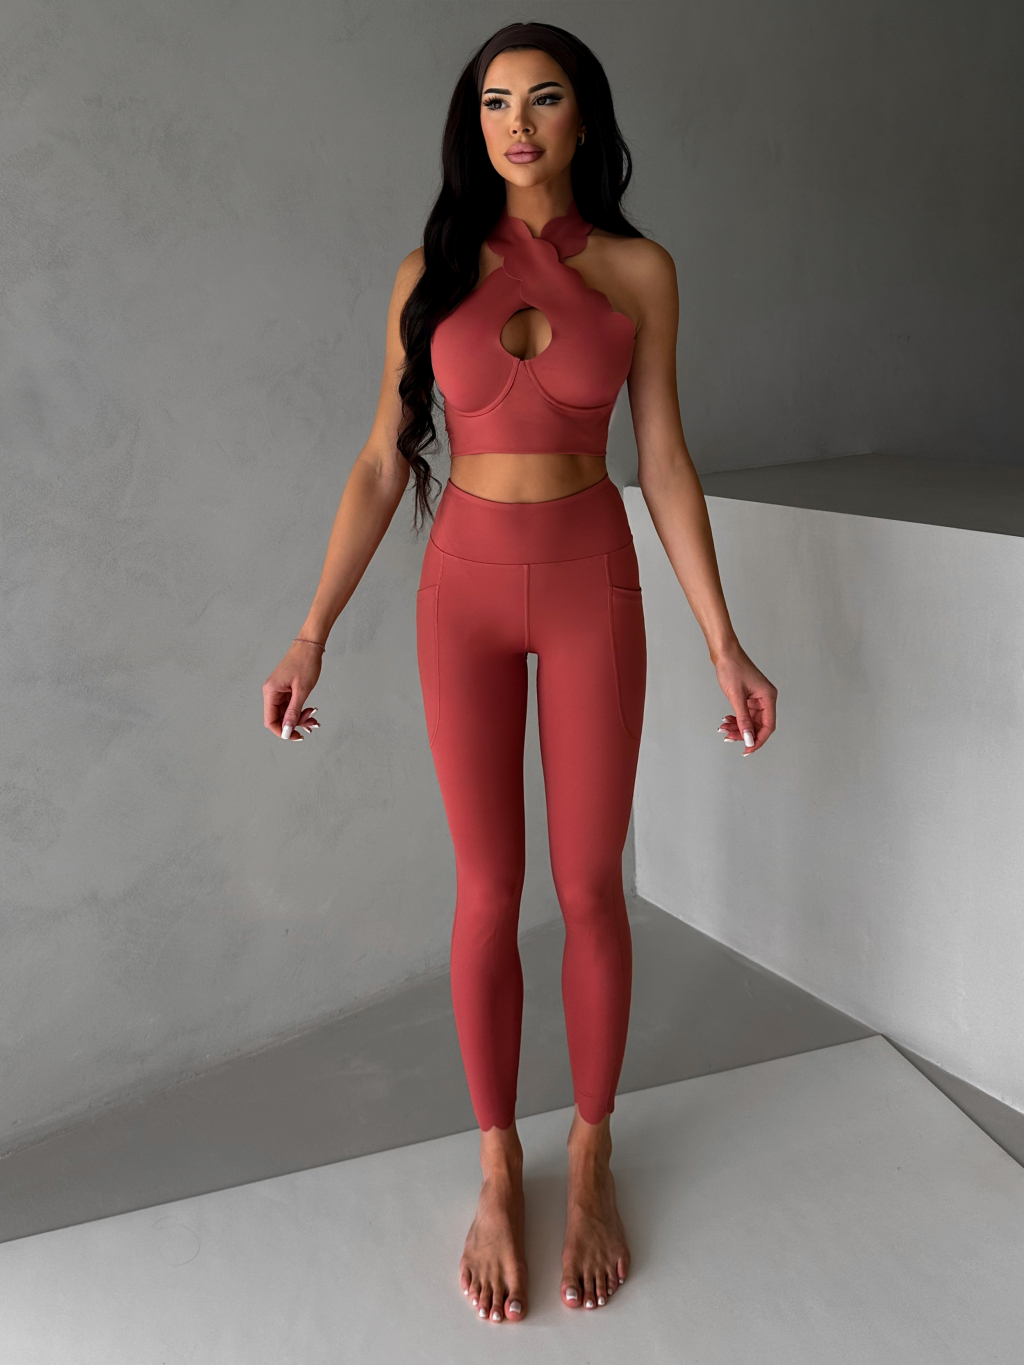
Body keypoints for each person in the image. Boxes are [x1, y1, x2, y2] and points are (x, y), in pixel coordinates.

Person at [263, 20, 777, 1327]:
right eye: (496, 103)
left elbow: (665, 459)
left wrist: (723, 638)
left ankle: (591, 1155)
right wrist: (312, 630)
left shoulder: (643, 270)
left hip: (594, 578)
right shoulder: (427, 271)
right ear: (473, 124)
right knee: (488, 890)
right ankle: (499, 1164)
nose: (518, 124)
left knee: (591, 884)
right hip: (465, 595)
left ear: (583, 119)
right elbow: (381, 462)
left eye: (544, 100)